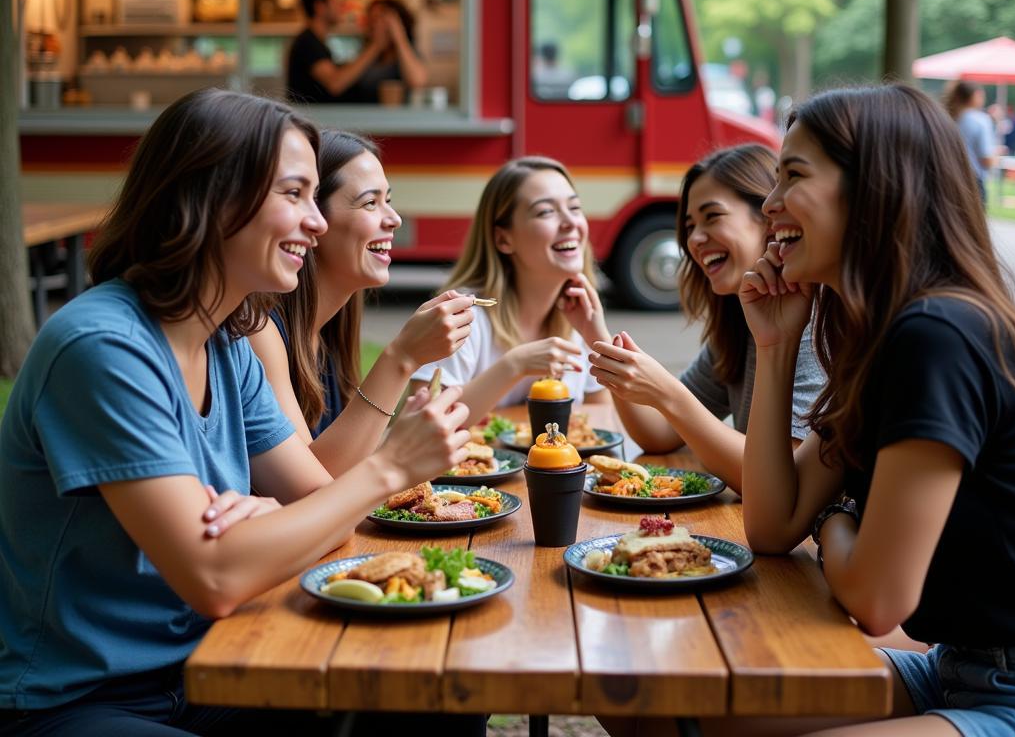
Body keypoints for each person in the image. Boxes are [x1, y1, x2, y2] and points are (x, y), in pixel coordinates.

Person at [0, 89, 470, 735]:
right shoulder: (102, 348)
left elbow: (325, 516)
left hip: (208, 663)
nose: (318, 222)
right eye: (295, 194)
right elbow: (216, 576)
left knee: (432, 701)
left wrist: (273, 513)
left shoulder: (227, 341)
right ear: (215, 198)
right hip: (77, 701)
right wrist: (388, 469)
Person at [739, 84, 1015, 736]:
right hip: (954, 669)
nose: (770, 202)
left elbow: (876, 598)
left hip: (1012, 694)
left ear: (874, 187)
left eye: (793, 175)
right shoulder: (889, 334)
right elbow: (773, 524)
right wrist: (776, 345)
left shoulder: (939, 335)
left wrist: (837, 516)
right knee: (673, 713)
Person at [587, 144, 823, 493]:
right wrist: (606, 347)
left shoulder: (809, 321)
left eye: (712, 216)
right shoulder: (739, 321)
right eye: (689, 225)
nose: (694, 239)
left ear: (769, 217)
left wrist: (668, 394)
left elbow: (780, 484)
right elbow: (661, 435)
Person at [248, 129, 476, 475]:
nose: (394, 219)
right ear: (313, 220)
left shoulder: (332, 324)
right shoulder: (260, 331)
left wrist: (404, 436)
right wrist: (402, 357)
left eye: (388, 200)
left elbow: (346, 462)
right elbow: (314, 484)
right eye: (370, 203)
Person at [412, 156, 609, 418]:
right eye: (546, 212)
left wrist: (599, 337)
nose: (571, 223)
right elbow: (420, 420)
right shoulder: (461, 316)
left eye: (574, 208)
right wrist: (514, 366)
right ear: (504, 239)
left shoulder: (578, 317)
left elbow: (601, 418)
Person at [286, 0, 426, 104]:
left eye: (379, 19)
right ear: (320, 7)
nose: (342, 6)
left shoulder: (402, 54)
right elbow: (336, 83)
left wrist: (398, 36)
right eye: (336, 2)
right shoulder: (308, 42)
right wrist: (376, 46)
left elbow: (418, 81)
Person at [944, 79, 997, 205]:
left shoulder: (946, 118)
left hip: (948, 179)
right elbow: (986, 160)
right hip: (973, 182)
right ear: (975, 96)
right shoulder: (981, 120)